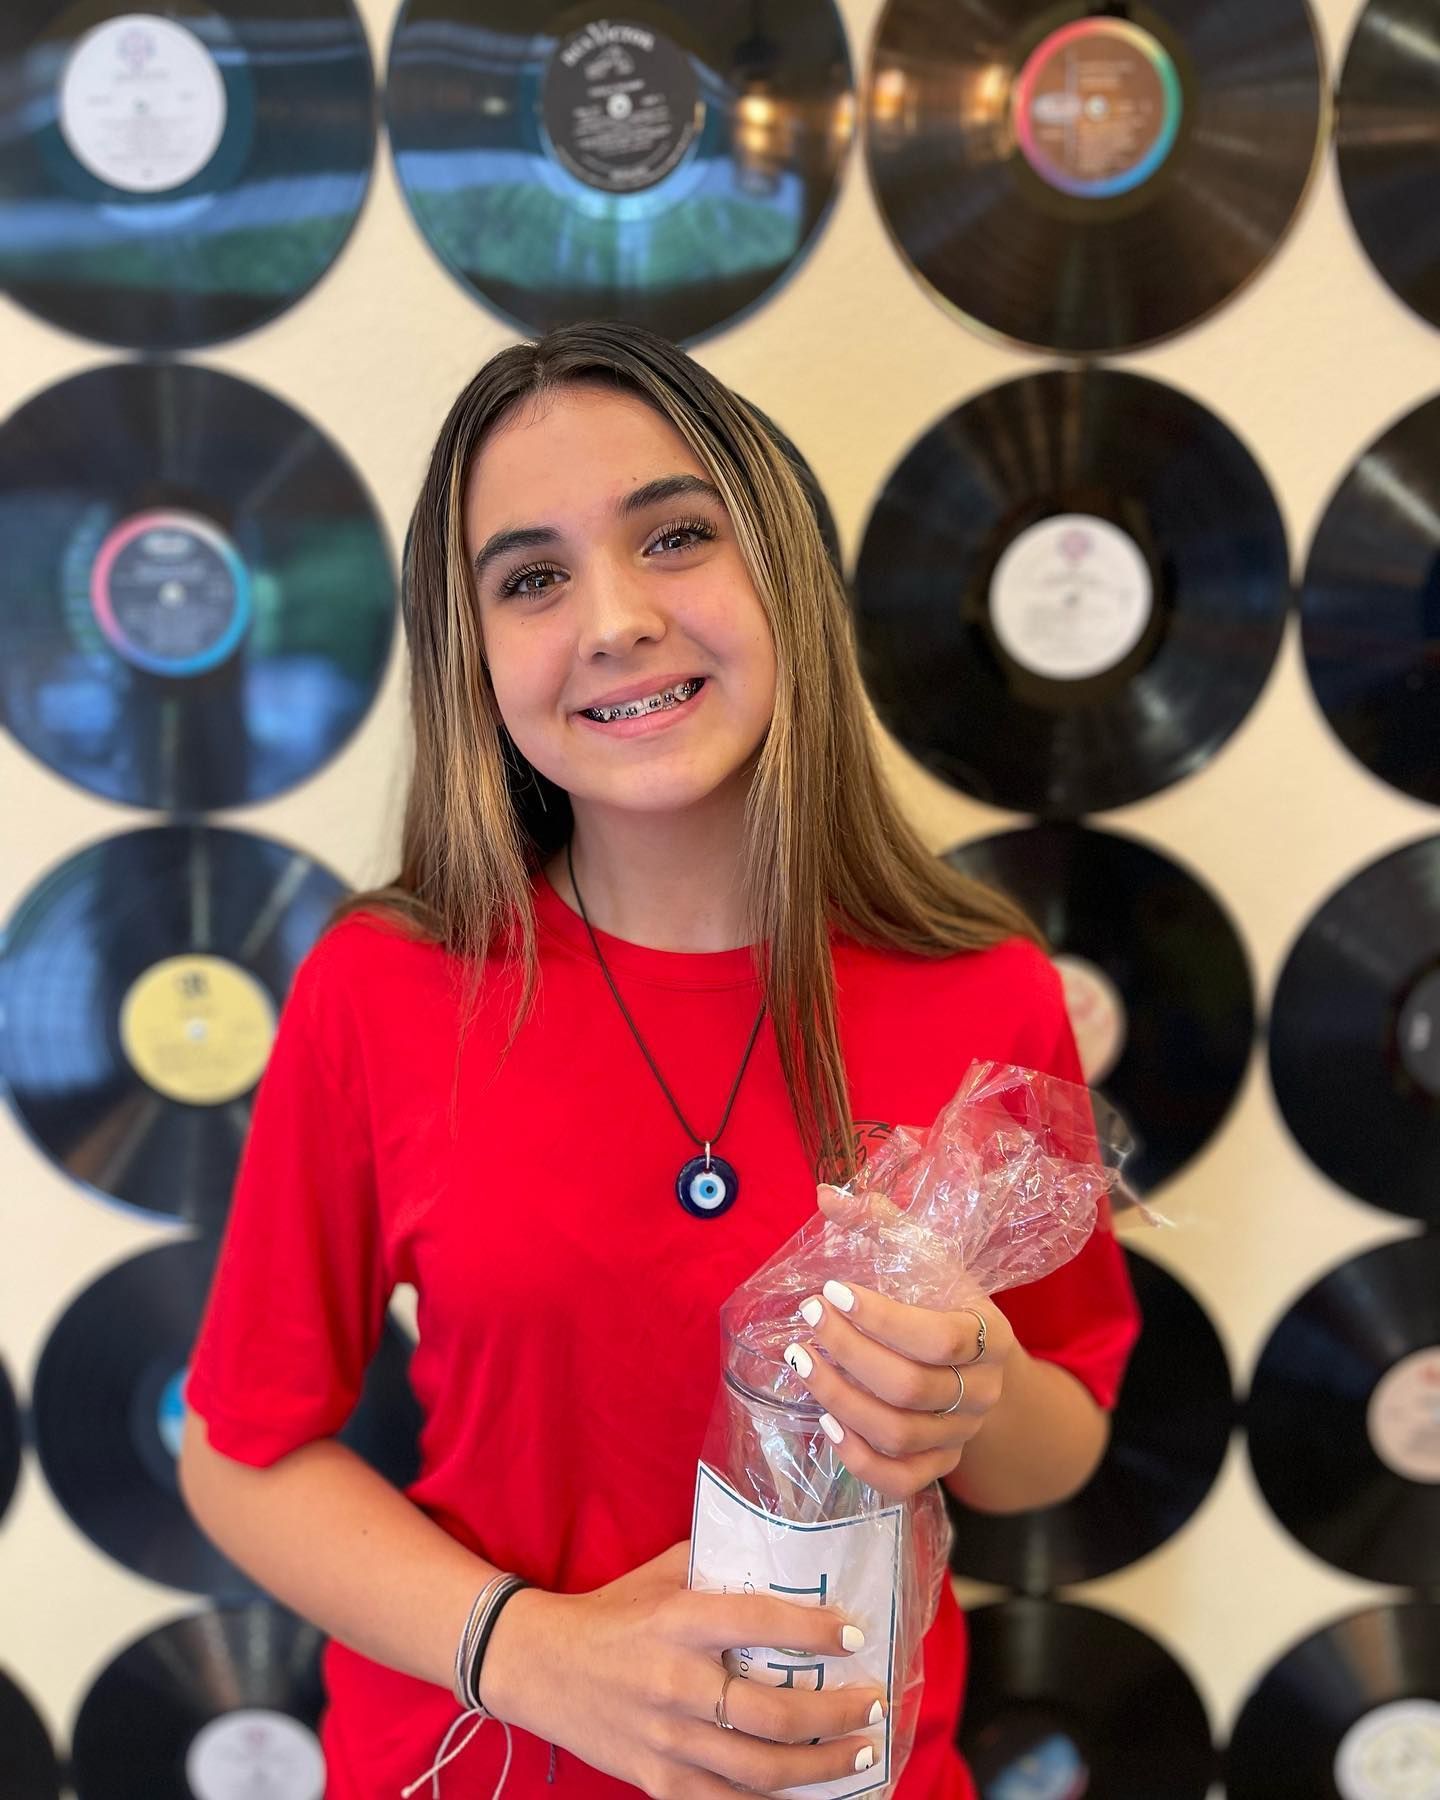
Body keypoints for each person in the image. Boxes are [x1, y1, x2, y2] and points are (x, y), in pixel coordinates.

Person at [178, 319, 1141, 1800]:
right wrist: (536, 1657)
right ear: (474, 654)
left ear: (781, 573)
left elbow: (1057, 1451)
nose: (616, 619)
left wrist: (973, 1389)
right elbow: (239, 1454)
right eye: (532, 578)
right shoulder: (382, 988)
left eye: (676, 535)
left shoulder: (986, 991)